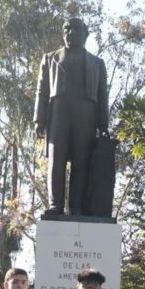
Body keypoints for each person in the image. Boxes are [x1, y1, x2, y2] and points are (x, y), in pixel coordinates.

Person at [35, 17, 110, 216]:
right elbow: (41, 91)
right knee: (55, 160)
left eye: (76, 30)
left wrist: (104, 124)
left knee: (81, 161)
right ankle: (55, 205)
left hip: (86, 116)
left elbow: (103, 96)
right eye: (67, 29)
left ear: (86, 34)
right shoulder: (50, 58)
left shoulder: (97, 63)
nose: (71, 33)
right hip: (58, 114)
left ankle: (76, 207)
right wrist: (39, 120)